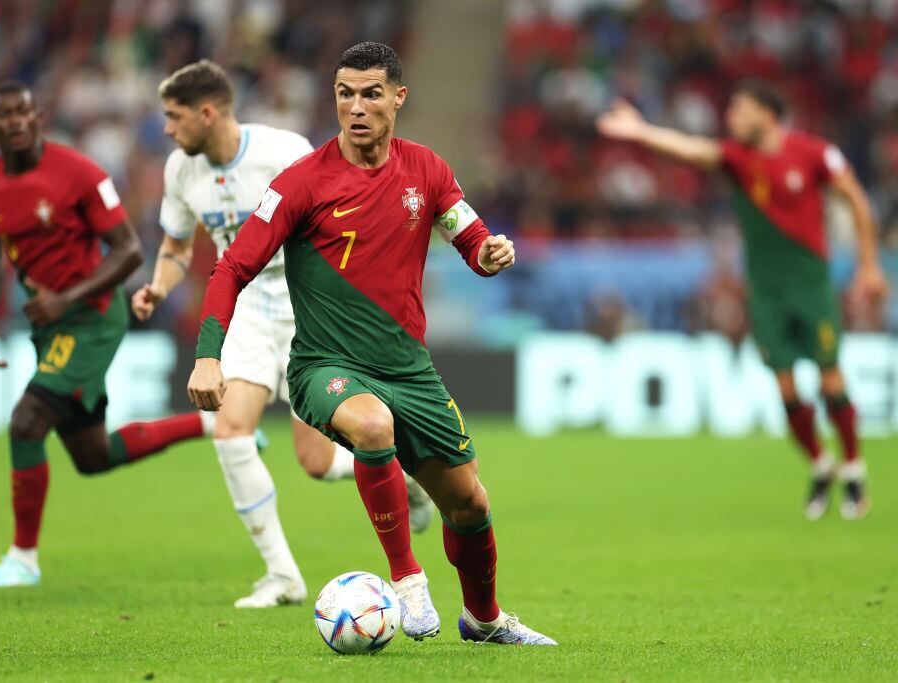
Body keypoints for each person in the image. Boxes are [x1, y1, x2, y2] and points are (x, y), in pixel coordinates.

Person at [187, 42, 556, 645]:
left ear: (398, 97)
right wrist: (209, 355)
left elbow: (471, 238)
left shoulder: (427, 169)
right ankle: (407, 579)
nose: (355, 107)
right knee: (373, 427)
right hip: (324, 366)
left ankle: (484, 621)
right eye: (344, 94)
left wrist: (491, 253)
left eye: (370, 93)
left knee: (470, 505)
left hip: (409, 370)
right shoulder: (301, 183)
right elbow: (230, 268)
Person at [132, 60, 433, 608]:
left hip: (308, 307)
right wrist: (158, 285)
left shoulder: (281, 152)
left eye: (175, 118)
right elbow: (176, 248)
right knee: (230, 432)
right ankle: (283, 576)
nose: (169, 130)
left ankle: (404, 476)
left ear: (207, 112)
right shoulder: (181, 171)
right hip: (246, 309)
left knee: (316, 464)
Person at [598, 80, 889, 520]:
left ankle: (852, 469)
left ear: (767, 115)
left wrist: (869, 265)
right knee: (786, 388)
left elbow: (858, 202)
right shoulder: (737, 159)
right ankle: (819, 463)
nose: (731, 117)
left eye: (740, 109)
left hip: (810, 285)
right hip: (766, 290)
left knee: (830, 379)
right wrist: (641, 133)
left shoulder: (813, 154)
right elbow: (691, 149)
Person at [0, 81, 213, 587]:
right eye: (4, 115)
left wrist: (65, 297)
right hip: (49, 326)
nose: (15, 121)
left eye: (23, 112)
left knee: (26, 422)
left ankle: (23, 558)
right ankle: (212, 425)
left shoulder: (79, 173)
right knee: (93, 457)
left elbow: (128, 252)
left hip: (95, 316)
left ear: (39, 117)